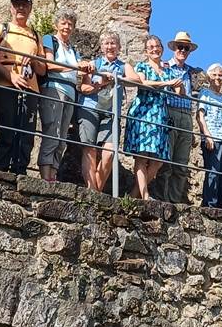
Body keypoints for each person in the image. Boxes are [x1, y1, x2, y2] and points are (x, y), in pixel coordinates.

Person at [0, 0, 47, 175]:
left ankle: (20, 169)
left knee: (27, 131)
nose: (20, 8)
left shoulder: (36, 35)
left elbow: (43, 69)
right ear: (11, 8)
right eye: (17, 4)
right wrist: (10, 76)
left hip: (30, 87)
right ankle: (1, 168)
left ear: (30, 9)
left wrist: (34, 60)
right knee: (6, 126)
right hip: (6, 84)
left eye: (24, 5)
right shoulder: (1, 28)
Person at [124, 35, 183, 200]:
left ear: (162, 49)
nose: (154, 49)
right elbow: (143, 82)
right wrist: (167, 84)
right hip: (144, 112)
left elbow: (179, 94)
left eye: (157, 46)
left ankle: (134, 194)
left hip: (160, 116)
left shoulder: (168, 71)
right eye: (151, 47)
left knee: (157, 161)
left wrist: (179, 85)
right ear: (146, 51)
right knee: (142, 156)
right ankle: (145, 195)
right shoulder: (142, 66)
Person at [74, 31, 135, 191]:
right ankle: (92, 191)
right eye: (106, 43)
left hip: (111, 113)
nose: (110, 46)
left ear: (119, 47)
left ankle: (95, 192)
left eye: (113, 43)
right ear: (101, 47)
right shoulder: (94, 64)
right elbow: (85, 89)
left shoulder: (123, 66)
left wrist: (117, 78)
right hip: (90, 107)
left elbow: (136, 80)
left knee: (109, 153)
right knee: (90, 149)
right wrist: (101, 82)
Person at [37, 10, 93, 182]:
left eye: (70, 24)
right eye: (64, 23)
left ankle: (53, 173)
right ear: (56, 25)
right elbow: (50, 65)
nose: (67, 26)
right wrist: (76, 66)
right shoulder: (50, 40)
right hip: (54, 88)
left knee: (62, 137)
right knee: (52, 131)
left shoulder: (73, 49)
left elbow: (78, 72)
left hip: (70, 92)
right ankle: (45, 175)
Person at [152, 32, 200, 204]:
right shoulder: (164, 67)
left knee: (181, 163)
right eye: (180, 47)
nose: (183, 50)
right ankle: (160, 198)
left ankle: (174, 201)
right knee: (165, 160)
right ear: (174, 49)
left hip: (186, 115)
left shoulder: (192, 73)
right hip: (170, 111)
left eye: (186, 48)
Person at [196, 63, 222, 210]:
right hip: (213, 137)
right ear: (208, 77)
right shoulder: (205, 93)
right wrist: (207, 136)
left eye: (220, 75)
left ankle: (221, 204)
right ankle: (209, 204)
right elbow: (200, 116)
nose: (217, 78)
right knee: (213, 172)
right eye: (214, 75)